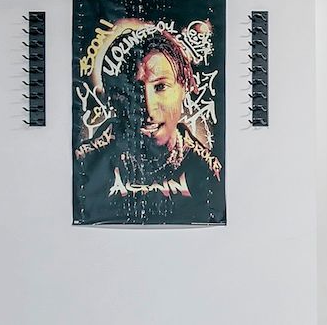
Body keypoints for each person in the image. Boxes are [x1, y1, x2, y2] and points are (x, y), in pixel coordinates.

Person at [74, 22, 223, 224]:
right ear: (116, 97)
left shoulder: (208, 171)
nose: (149, 108)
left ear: (184, 87)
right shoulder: (87, 162)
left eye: (161, 87)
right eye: (134, 90)